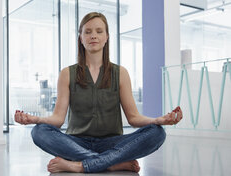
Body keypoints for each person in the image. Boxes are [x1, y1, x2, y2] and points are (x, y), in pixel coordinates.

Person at [15, 12, 183, 173]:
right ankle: (110, 164)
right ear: (81, 38)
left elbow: (133, 118)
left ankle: (80, 166)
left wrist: (158, 120)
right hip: (76, 142)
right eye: (87, 32)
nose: (93, 36)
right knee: (39, 131)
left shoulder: (120, 73)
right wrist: (35, 119)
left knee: (157, 132)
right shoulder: (67, 73)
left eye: (99, 31)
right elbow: (58, 120)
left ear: (106, 37)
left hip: (112, 142)